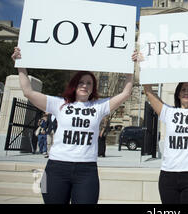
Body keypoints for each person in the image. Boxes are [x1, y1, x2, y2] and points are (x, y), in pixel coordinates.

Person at [11, 46, 138, 204]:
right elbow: (28, 92)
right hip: (55, 167)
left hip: (87, 170)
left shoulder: (98, 106)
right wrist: (20, 64)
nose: (85, 85)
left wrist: (129, 66)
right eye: (81, 82)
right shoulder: (59, 103)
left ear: (93, 88)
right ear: (74, 85)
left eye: (89, 83)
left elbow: (125, 93)